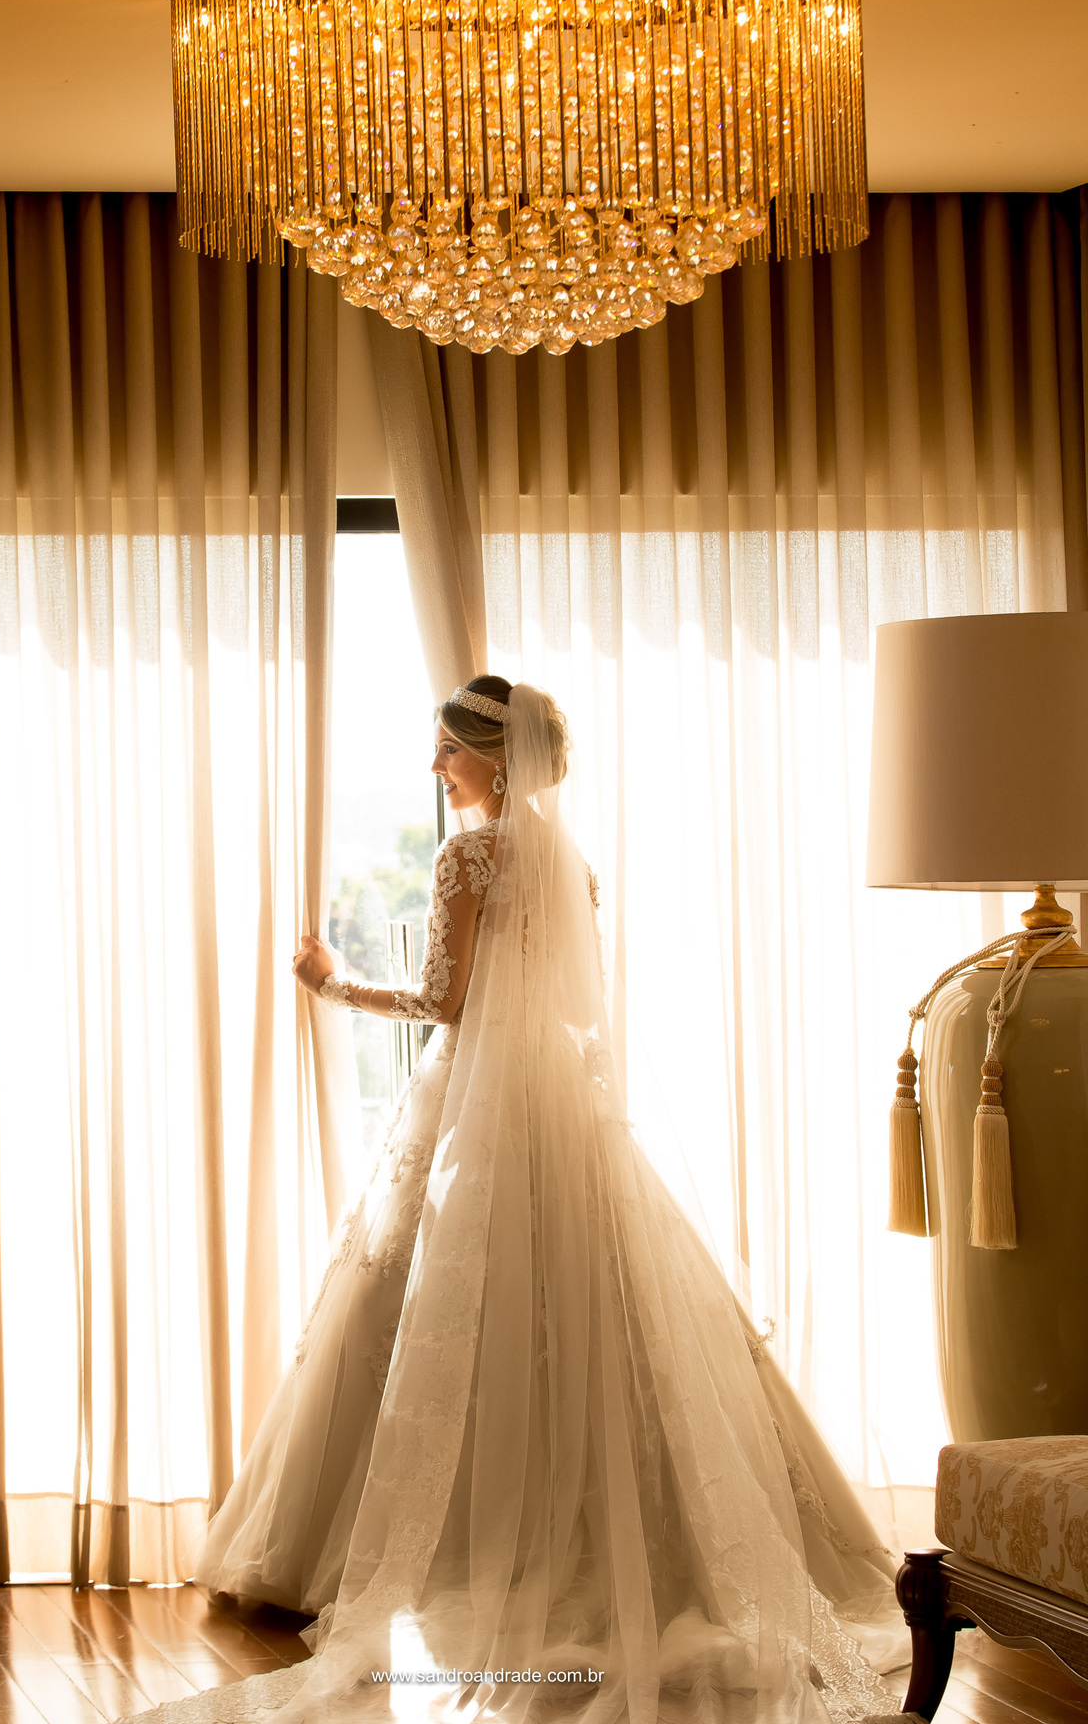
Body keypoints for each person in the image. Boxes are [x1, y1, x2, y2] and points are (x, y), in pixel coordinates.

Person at [184, 678, 902, 1724]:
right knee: (600, 1316)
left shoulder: (467, 854)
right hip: (562, 1106)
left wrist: (330, 981)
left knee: (424, 1309)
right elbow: (578, 1007)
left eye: (448, 753)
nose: (437, 771)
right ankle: (644, 1548)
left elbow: (446, 1003)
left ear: (492, 755)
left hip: (482, 1109)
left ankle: (380, 1555)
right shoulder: (573, 864)